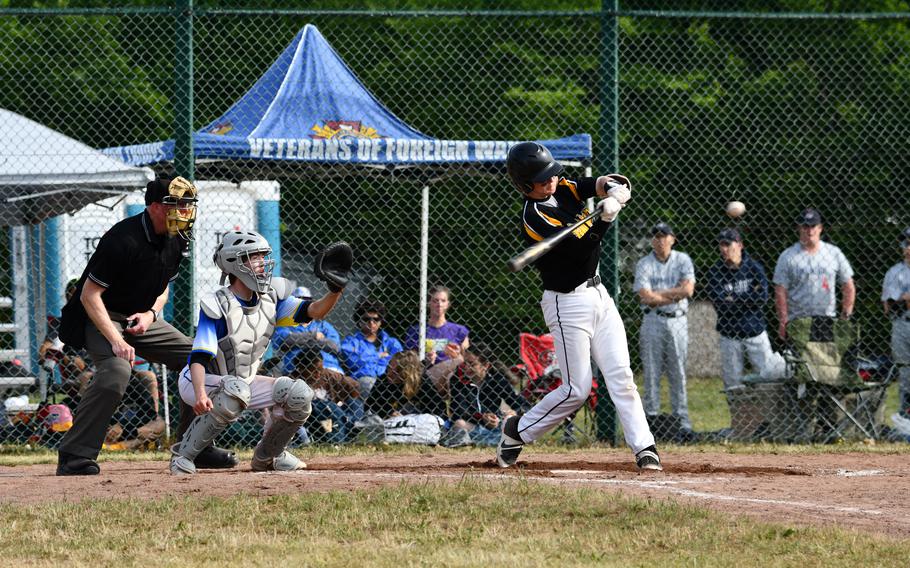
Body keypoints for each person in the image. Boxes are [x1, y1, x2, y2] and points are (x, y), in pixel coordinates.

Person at [54, 176, 235, 476]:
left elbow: (162, 286)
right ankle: (74, 454)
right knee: (117, 371)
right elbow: (89, 294)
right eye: (176, 204)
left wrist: (151, 314)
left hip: (140, 315)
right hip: (102, 314)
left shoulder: (177, 238)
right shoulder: (123, 239)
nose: (185, 210)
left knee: (203, 356)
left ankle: (194, 447)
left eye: (188, 204)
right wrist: (116, 339)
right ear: (153, 207)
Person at [497, 141, 660, 471]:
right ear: (525, 185)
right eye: (542, 181)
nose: (552, 182)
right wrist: (605, 219)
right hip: (566, 303)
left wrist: (611, 188)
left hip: (599, 296)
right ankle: (516, 431)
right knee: (577, 390)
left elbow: (591, 184)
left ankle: (645, 448)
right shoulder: (535, 217)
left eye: (551, 176)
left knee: (621, 376)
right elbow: (580, 252)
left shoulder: (560, 187)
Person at [169, 232, 351, 474]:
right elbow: (199, 357)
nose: (263, 263)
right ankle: (184, 457)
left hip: (243, 382)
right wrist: (201, 394)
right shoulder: (218, 305)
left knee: (298, 394)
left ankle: (268, 456)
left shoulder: (271, 298)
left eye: (263, 257)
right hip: (198, 381)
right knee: (235, 392)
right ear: (234, 263)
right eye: (254, 257)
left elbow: (315, 311)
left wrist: (335, 290)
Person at [706, 228, 787, 391]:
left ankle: (768, 415)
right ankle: (738, 416)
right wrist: (748, 297)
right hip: (729, 335)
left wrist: (733, 299)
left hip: (755, 333)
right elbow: (721, 305)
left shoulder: (754, 268)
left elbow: (762, 298)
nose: (724, 249)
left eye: (728, 244)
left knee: (769, 379)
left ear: (740, 245)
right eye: (721, 245)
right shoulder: (715, 272)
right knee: (733, 385)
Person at [634, 221, 695, 434]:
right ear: (653, 240)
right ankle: (650, 420)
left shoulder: (683, 259)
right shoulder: (644, 263)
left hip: (678, 320)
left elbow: (687, 291)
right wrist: (672, 294)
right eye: (657, 236)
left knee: (678, 372)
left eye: (664, 236)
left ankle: (683, 422)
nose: (660, 240)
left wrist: (658, 295)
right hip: (652, 320)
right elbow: (645, 296)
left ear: (672, 239)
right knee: (651, 371)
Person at [773, 207, 855, 340]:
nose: (810, 231)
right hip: (798, 321)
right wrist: (783, 321)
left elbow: (848, 285)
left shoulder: (833, 253)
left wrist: (845, 317)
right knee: (799, 360)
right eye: (805, 226)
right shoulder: (788, 256)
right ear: (799, 228)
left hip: (828, 320)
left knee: (827, 360)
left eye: (813, 226)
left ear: (820, 228)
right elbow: (780, 290)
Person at [446, 342, 530, 447]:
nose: (467, 368)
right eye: (465, 363)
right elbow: (457, 410)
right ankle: (497, 441)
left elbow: (521, 404)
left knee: (512, 422)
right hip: (472, 425)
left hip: (494, 427)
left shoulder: (497, 380)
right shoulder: (458, 379)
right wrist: (482, 418)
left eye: (472, 364)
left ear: (485, 365)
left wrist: (513, 413)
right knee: (459, 424)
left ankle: (485, 441)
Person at [271, 285, 345, 376]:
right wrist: (314, 336)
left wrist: (301, 341)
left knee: (352, 385)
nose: (303, 302)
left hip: (329, 367)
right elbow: (284, 341)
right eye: (299, 299)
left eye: (307, 299)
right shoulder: (285, 324)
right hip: (298, 370)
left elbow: (335, 346)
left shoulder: (323, 325)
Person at [341, 299, 403, 398]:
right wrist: (379, 356)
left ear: (381, 321)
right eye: (366, 319)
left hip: (390, 380)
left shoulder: (392, 343)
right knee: (370, 383)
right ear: (359, 321)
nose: (371, 323)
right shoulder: (351, 342)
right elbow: (354, 362)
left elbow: (400, 363)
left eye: (376, 319)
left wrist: (367, 359)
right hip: (364, 379)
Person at [365, 350, 447, 420]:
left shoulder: (421, 382)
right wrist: (389, 413)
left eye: (396, 371)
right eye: (389, 367)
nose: (389, 374)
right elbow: (370, 405)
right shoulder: (384, 380)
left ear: (408, 373)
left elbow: (438, 408)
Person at [882, 227, 910, 422]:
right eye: (905, 243)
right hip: (902, 325)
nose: (907, 247)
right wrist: (903, 300)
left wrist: (904, 298)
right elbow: (890, 307)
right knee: (906, 376)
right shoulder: (895, 272)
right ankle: (906, 419)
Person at [404, 284, 470, 365]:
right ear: (428, 303)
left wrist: (457, 352)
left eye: (443, 301)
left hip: (452, 373)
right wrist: (425, 360)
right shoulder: (415, 330)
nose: (439, 304)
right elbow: (409, 359)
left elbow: (466, 356)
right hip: (423, 371)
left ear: (448, 304)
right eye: (435, 301)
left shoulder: (459, 330)